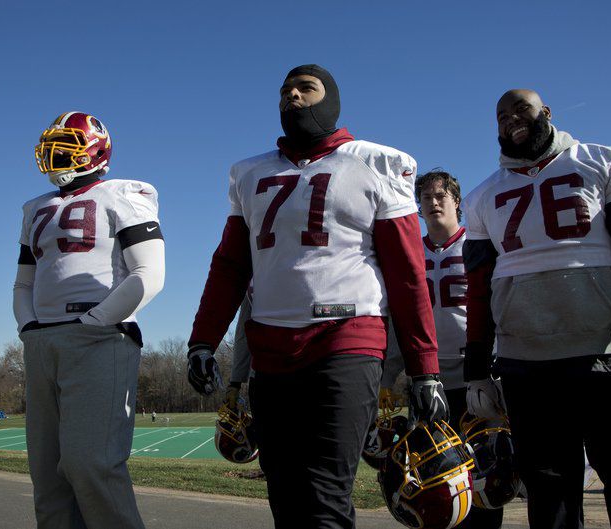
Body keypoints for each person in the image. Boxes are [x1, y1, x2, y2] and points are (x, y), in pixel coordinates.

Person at [186, 64, 443, 528]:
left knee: (324, 495)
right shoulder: (248, 172)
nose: (293, 97)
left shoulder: (378, 162)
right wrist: (202, 339)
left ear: (331, 99)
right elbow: (229, 265)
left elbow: (408, 275)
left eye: (306, 88)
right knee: (285, 495)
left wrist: (424, 368)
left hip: (347, 339)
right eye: (286, 90)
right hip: (270, 347)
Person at [461, 89, 611, 529]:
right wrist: (477, 366)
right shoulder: (481, 197)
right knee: (548, 491)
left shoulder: (606, 160)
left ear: (547, 113)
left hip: (604, 354)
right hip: (526, 365)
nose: (511, 120)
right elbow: (478, 289)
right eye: (500, 116)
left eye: (521, 109)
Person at [14, 111, 165, 529]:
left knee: (90, 465)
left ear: (95, 149)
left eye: (66, 147)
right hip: (43, 343)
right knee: (47, 477)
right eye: (52, 147)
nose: (56, 155)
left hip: (100, 340)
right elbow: (23, 283)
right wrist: (28, 328)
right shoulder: (35, 208)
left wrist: (96, 322)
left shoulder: (123, 193)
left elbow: (148, 274)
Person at [380, 170, 506, 529]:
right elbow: (394, 316)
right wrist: (389, 374)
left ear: (456, 202)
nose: (433, 203)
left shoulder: (480, 244)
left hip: (476, 378)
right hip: (426, 381)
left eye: (440, 196)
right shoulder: (410, 251)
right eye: (425, 198)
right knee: (436, 481)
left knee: (482, 482)